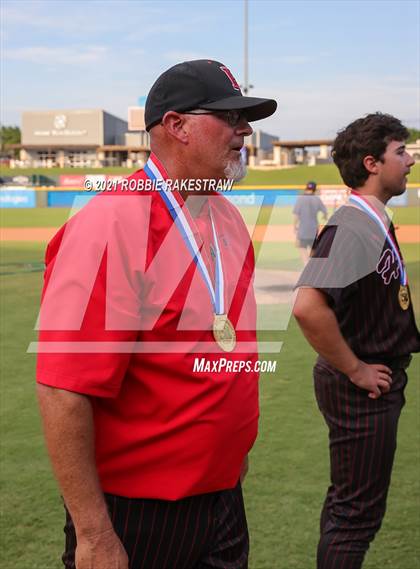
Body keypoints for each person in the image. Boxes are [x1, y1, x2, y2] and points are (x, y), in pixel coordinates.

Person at [36, 59, 277, 569]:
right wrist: (96, 534)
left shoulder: (228, 217)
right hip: (136, 514)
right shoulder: (110, 222)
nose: (245, 131)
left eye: (246, 119)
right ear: (176, 126)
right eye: (230, 117)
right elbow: (64, 387)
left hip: (222, 498)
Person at [293, 112, 419, 569]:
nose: (409, 161)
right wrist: (355, 368)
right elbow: (308, 307)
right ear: (371, 163)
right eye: (400, 152)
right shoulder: (351, 225)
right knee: (356, 518)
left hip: (372, 378)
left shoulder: (369, 219)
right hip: (363, 384)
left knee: (351, 507)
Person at [293, 180, 328, 263]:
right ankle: (311, 264)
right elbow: (325, 212)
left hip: (303, 228)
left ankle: (306, 264)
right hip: (314, 228)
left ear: (306, 188)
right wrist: (324, 216)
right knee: (313, 247)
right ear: (315, 189)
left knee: (302, 247)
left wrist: (294, 226)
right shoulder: (317, 199)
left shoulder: (300, 199)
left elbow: (296, 215)